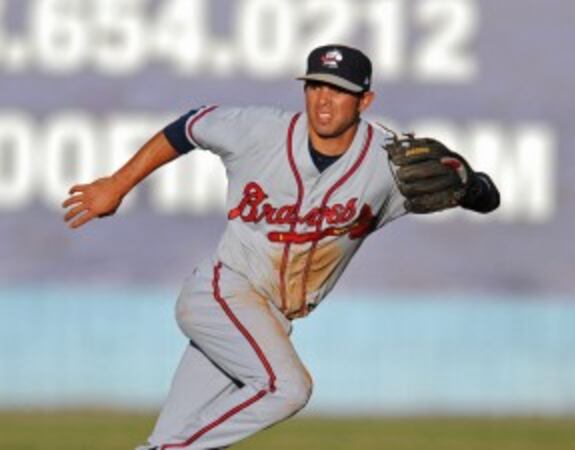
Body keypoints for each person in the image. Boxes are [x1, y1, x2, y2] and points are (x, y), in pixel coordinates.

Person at [62, 44, 499, 450]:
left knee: (171, 437)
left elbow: (484, 198)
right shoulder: (258, 130)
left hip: (266, 318)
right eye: (315, 86)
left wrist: (470, 182)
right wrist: (117, 185)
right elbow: (187, 127)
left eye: (339, 90)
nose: (324, 100)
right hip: (222, 294)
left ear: (365, 101)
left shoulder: (387, 164)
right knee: (288, 388)